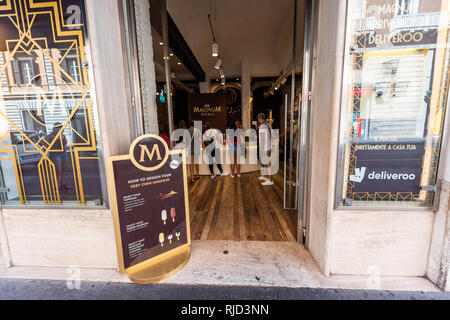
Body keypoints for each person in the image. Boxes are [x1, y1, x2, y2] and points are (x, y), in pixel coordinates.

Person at [42, 122, 71, 190]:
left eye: (61, 127)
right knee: (59, 171)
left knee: (64, 170)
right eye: (58, 127)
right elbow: (42, 142)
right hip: (55, 154)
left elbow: (65, 142)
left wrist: (63, 147)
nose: (60, 128)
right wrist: (49, 148)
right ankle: (57, 186)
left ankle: (63, 184)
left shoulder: (63, 135)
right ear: (55, 128)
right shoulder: (51, 135)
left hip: (63, 153)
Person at [257, 113, 274, 186]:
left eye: (258, 118)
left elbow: (263, 138)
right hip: (268, 146)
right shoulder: (268, 125)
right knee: (265, 162)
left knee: (267, 163)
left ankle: (270, 179)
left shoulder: (262, 126)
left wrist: (262, 149)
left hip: (265, 147)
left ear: (259, 119)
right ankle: (265, 176)